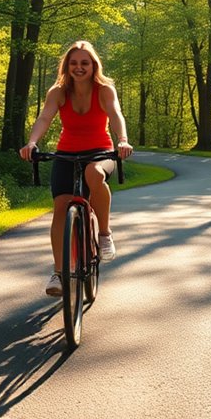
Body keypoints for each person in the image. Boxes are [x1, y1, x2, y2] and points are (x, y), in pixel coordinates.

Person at [19, 40, 134, 297]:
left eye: (84, 63)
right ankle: (59, 273)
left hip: (100, 153)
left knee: (94, 173)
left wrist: (123, 139)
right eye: (74, 63)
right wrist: (32, 142)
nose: (79, 68)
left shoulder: (104, 90)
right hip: (66, 153)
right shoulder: (58, 91)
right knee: (61, 207)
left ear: (94, 65)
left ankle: (104, 234)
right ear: (67, 66)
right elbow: (45, 117)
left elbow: (115, 114)